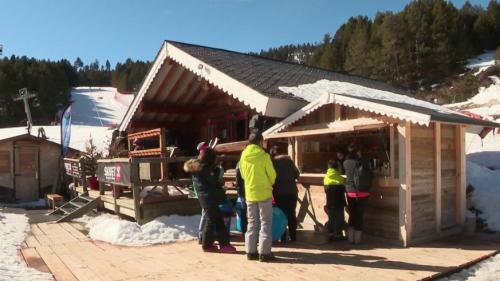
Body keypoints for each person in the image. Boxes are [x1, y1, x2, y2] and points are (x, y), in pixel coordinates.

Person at [184, 147, 236, 253]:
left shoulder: (198, 168)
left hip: (205, 198)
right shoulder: (205, 169)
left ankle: (207, 245)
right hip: (209, 198)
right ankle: (223, 244)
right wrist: (216, 169)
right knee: (217, 222)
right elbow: (214, 182)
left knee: (211, 221)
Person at [239, 133, 276, 262]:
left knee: (252, 223)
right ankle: (264, 254)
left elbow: (243, 175)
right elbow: (272, 175)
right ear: (260, 142)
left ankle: (250, 252)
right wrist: (269, 183)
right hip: (264, 193)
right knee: (265, 222)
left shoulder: (243, 156)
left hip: (250, 193)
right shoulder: (264, 156)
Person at [343, 144, 373, 244]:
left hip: (350, 191)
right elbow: (370, 175)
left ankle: (350, 239)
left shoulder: (346, 163)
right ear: (358, 153)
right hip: (363, 192)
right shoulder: (364, 162)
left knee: (352, 214)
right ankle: (357, 240)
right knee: (359, 215)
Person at [269, 145, 300, 243]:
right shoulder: (289, 161)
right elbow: (297, 174)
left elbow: (271, 178)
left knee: (281, 215)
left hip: (279, 192)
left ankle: (282, 237)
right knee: (291, 214)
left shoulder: (273, 163)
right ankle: (293, 236)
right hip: (292, 192)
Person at [323, 159, 347, 241]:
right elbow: (344, 189)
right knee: (339, 218)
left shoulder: (326, 178)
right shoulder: (340, 178)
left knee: (331, 218)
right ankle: (338, 235)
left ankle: (330, 234)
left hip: (330, 202)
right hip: (339, 202)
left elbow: (326, 191)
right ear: (337, 167)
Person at [235, 161, 247, 234]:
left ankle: (244, 230)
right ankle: (244, 230)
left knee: (244, 210)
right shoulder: (240, 163)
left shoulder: (239, 163)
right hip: (247, 190)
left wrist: (239, 191)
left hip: (243, 191)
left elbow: (238, 180)